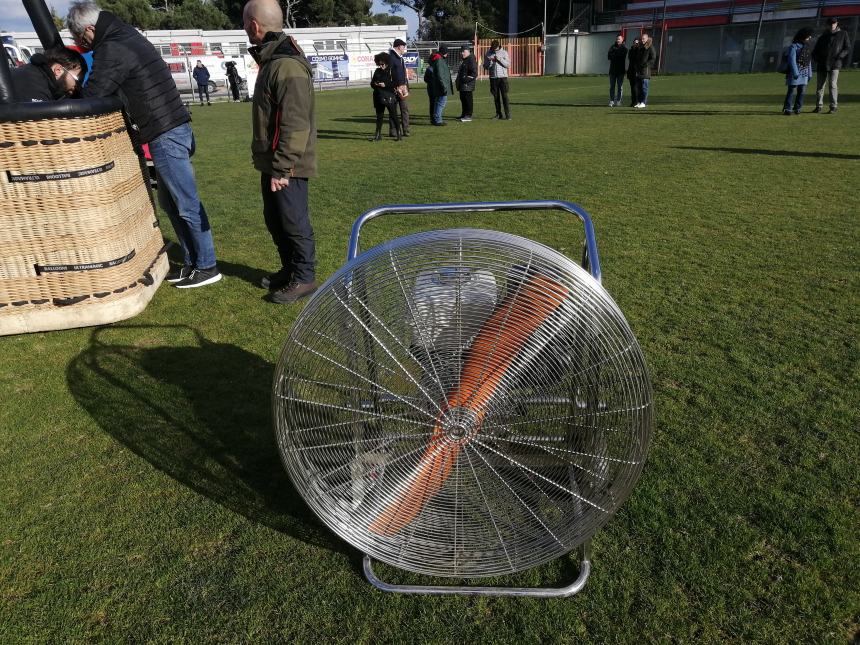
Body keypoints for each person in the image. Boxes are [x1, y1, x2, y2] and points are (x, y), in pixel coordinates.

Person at [67, 1, 220, 288]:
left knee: (185, 203)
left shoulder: (112, 47)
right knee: (171, 203)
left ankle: (208, 265)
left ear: (89, 29)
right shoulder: (126, 34)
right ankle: (192, 261)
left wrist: (73, 87)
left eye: (79, 37)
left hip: (165, 132)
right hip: (171, 128)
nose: (79, 43)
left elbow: (95, 92)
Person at [243, 0, 318, 304]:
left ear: (254, 26)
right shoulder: (273, 60)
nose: (245, 28)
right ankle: (290, 270)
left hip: (288, 165)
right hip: (273, 161)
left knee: (293, 221)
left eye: (245, 23)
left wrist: (283, 167)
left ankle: (304, 278)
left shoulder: (285, 63)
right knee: (276, 220)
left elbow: (296, 122)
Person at [10, 46, 86, 101]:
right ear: (58, 70)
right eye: (77, 79)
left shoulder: (40, 75)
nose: (78, 86)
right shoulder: (34, 85)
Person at [811, 17, 851, 114]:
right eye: (830, 23)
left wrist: (840, 56)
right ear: (827, 25)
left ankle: (833, 106)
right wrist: (818, 60)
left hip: (835, 64)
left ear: (837, 23)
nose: (832, 25)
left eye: (834, 23)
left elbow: (847, 48)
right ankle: (818, 106)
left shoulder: (843, 34)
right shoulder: (822, 37)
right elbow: (815, 52)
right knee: (820, 86)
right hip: (822, 64)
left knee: (832, 85)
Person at [369, 52, 400, 142]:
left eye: (382, 64)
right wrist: (375, 84)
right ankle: (378, 135)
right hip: (378, 97)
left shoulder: (392, 70)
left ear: (387, 62)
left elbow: (396, 83)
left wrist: (385, 85)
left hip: (389, 96)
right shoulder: (377, 71)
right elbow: (372, 83)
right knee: (379, 117)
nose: (381, 66)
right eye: (379, 64)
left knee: (394, 115)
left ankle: (398, 134)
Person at [783, 28, 814, 115]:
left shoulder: (807, 47)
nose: (810, 37)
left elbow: (809, 61)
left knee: (802, 91)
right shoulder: (794, 46)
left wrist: (810, 73)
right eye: (808, 36)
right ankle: (787, 108)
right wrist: (795, 72)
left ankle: (798, 108)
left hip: (804, 73)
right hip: (795, 72)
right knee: (791, 90)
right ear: (803, 36)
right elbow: (791, 60)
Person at [483, 39, 510, 120]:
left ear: (499, 46)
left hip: (503, 78)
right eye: (493, 48)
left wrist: (499, 59)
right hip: (493, 78)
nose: (494, 50)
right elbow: (485, 66)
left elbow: (508, 65)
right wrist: (490, 62)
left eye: (495, 48)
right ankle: (498, 114)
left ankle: (508, 115)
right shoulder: (488, 53)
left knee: (505, 97)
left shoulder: (504, 52)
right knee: (496, 97)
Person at [388, 38, 410, 137]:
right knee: (393, 111)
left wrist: (405, 85)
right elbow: (389, 74)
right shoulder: (391, 58)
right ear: (398, 46)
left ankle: (406, 129)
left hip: (403, 89)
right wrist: (394, 86)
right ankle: (393, 131)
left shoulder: (400, 58)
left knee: (404, 109)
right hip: (394, 89)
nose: (404, 48)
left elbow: (402, 74)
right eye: (403, 46)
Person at [429, 44, 452, 126]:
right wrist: (444, 86)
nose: (447, 54)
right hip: (440, 86)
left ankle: (436, 118)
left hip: (438, 85)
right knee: (441, 103)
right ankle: (438, 119)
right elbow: (440, 75)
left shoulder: (438, 59)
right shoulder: (439, 60)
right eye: (447, 52)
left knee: (438, 103)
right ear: (444, 52)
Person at [631, 32, 656, 109]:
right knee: (639, 88)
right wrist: (636, 65)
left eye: (643, 39)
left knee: (644, 88)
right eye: (641, 39)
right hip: (639, 71)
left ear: (647, 38)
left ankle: (643, 102)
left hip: (646, 71)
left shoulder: (650, 47)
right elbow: (636, 58)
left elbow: (653, 58)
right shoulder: (640, 47)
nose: (642, 40)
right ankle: (639, 102)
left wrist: (646, 65)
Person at [455, 45, 477, 122]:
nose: (461, 53)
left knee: (468, 100)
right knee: (463, 99)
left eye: (463, 51)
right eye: (461, 51)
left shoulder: (471, 59)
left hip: (467, 85)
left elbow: (474, 73)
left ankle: (468, 115)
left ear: (468, 51)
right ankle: (464, 114)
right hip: (463, 85)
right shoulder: (465, 59)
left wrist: (465, 80)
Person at [607, 34, 627, 107]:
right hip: (612, 71)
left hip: (620, 71)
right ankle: (612, 101)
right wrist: (615, 54)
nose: (618, 40)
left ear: (622, 40)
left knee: (620, 87)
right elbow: (609, 56)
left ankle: (618, 101)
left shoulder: (624, 48)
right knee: (612, 86)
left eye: (619, 39)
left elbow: (621, 56)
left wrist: (614, 54)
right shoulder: (612, 47)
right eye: (617, 39)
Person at [626, 38, 639, 107]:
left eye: (637, 43)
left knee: (635, 87)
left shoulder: (639, 50)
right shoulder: (630, 50)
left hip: (636, 71)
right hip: (631, 70)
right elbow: (630, 58)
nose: (635, 44)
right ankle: (633, 101)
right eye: (635, 42)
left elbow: (637, 59)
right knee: (632, 87)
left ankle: (636, 102)